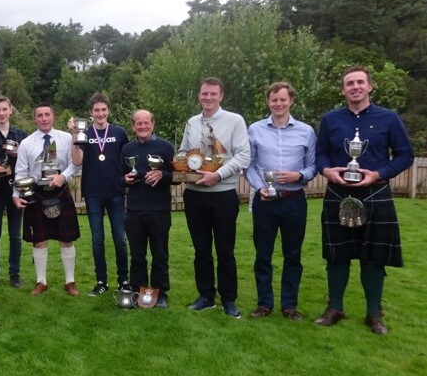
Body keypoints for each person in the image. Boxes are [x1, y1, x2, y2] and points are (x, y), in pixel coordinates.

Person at [314, 66, 414, 335]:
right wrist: (326, 170)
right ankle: (335, 307)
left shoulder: (389, 118)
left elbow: (406, 155)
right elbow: (320, 154)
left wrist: (379, 174)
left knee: (374, 256)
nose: (355, 87)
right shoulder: (330, 120)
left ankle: (374, 313)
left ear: (370, 87)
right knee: (337, 255)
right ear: (343, 89)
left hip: (375, 193)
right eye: (349, 83)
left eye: (360, 82)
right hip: (338, 193)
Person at [179, 77, 250, 318]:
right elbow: (183, 151)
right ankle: (206, 296)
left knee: (225, 250)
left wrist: (217, 175)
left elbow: (243, 156)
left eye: (213, 94)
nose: (208, 98)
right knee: (201, 249)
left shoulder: (234, 121)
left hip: (223, 195)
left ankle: (229, 299)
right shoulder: (191, 122)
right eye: (204, 94)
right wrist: (183, 164)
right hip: (195, 195)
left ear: (221, 96)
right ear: (199, 95)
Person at [246, 82, 316, 320]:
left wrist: (300, 175)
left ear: (291, 101)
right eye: (274, 100)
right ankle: (264, 304)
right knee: (262, 254)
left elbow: (313, 165)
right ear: (268, 102)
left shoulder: (306, 131)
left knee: (293, 255)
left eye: (283, 100)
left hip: (294, 200)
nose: (278, 104)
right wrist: (259, 186)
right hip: (264, 201)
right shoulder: (255, 129)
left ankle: (289, 306)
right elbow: (250, 165)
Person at [12, 103, 81, 296]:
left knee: (66, 240)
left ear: (53, 116)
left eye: (47, 114)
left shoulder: (66, 138)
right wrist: (16, 195)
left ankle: (70, 282)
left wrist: (63, 177)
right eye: (40, 115)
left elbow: (74, 164)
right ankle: (41, 282)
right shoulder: (27, 143)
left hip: (61, 192)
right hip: (37, 195)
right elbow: (20, 172)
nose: (44, 118)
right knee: (39, 240)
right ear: (35, 119)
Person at [69, 93, 130, 296]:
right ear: (90, 113)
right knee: (97, 239)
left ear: (108, 110)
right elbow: (78, 162)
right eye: (96, 110)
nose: (100, 113)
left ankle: (124, 281)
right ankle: (101, 281)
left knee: (120, 238)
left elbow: (127, 161)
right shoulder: (84, 133)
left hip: (116, 192)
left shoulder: (119, 133)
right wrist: (73, 137)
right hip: (93, 192)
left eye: (104, 109)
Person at [121, 110, 175, 307]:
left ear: (153, 124)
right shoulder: (127, 149)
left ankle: (160, 294)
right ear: (133, 126)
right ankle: (139, 291)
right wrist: (124, 180)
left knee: (160, 255)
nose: (142, 127)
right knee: (137, 256)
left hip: (159, 210)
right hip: (134, 210)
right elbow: (120, 176)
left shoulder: (165, 147)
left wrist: (163, 175)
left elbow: (177, 177)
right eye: (138, 123)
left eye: (146, 123)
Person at [0, 96, 27, 289]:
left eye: (4, 109)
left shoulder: (21, 135)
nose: (1, 113)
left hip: (16, 190)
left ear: (11, 110)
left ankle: (14, 273)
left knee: (15, 235)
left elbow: (29, 162)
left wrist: (18, 155)